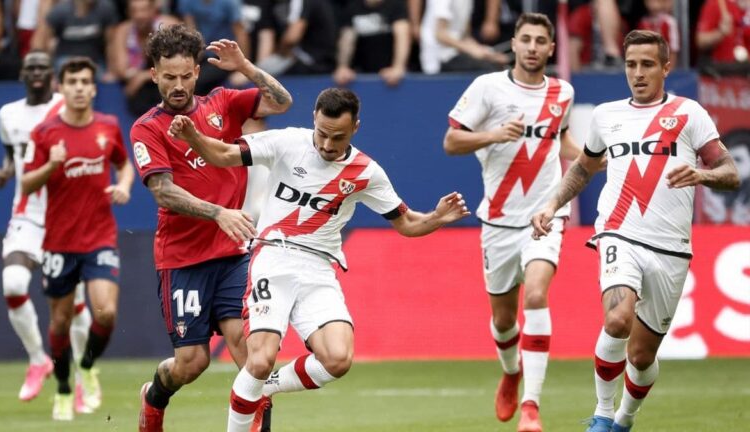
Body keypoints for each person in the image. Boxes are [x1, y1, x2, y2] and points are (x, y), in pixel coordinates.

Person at [167, 87, 470, 432]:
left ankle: (263, 388)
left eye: (337, 138)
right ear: (314, 118)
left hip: (318, 269)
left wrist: (437, 218)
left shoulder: (366, 172)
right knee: (261, 358)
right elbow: (222, 154)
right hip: (274, 257)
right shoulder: (288, 142)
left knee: (338, 359)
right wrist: (193, 135)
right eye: (322, 134)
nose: (327, 145)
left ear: (356, 127)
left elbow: (407, 223)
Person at [531, 30, 740, 432]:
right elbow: (584, 167)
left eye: (647, 64)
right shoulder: (606, 116)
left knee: (642, 357)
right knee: (617, 321)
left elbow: (730, 173)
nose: (638, 73)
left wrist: (700, 173)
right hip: (618, 232)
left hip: (670, 247)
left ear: (665, 67)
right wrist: (551, 204)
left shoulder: (689, 113)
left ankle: (624, 419)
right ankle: (603, 416)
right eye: (631, 64)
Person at [130, 24, 292, 432]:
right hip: (183, 259)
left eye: (186, 75)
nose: (179, 85)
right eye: (169, 77)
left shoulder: (224, 103)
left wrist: (246, 67)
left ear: (197, 73)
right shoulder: (146, 128)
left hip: (233, 256)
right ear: (153, 74)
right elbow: (163, 192)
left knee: (254, 356)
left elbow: (282, 102)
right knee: (193, 362)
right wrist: (220, 212)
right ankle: (154, 397)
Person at [443, 13, 580, 432]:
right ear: (514, 45)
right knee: (504, 320)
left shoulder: (563, 92)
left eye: (541, 40)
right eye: (526, 39)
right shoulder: (489, 88)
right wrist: (494, 135)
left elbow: (565, 142)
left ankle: (532, 407)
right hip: (499, 223)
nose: (534, 47)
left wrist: (607, 156)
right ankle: (511, 371)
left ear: (551, 49)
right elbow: (451, 141)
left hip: (545, 215)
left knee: (536, 296)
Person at [21, 56, 134, 421]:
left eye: (86, 81)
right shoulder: (44, 133)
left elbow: (124, 162)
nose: (80, 88)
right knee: (60, 322)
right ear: (61, 87)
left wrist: (125, 185)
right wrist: (52, 165)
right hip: (58, 242)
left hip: (100, 237)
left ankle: (87, 366)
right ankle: (65, 388)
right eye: (73, 82)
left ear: (94, 88)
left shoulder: (108, 125)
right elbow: (25, 184)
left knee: (106, 312)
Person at [0, 50, 93, 405]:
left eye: (42, 68)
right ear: (22, 74)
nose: (36, 73)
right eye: (30, 67)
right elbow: (12, 153)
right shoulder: (8, 114)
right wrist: (6, 170)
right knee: (13, 284)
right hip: (26, 216)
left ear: (52, 76)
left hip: (65, 220)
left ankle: (83, 376)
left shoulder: (67, 108)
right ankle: (38, 360)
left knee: (75, 304)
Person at [332, 0, 411, 87]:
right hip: (362, 73)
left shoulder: (396, 4)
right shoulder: (353, 6)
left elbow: (402, 35)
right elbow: (346, 40)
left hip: (389, 72)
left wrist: (398, 67)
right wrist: (343, 67)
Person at [419, 0, 509, 74]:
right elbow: (440, 35)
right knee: (489, 70)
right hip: (439, 59)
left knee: (498, 65)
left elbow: (465, 37)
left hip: (458, 53)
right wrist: (473, 51)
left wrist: (488, 53)